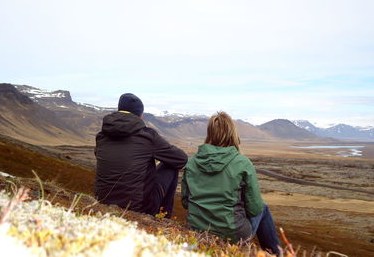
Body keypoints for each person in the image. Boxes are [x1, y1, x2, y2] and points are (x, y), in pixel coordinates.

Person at [181, 111, 280, 255]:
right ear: (232, 133)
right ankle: (276, 253)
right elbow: (255, 208)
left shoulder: (192, 162)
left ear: (209, 133)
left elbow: (185, 202)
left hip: (197, 230)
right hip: (233, 234)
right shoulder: (242, 163)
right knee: (263, 209)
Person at [95, 93, 187, 218]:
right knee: (171, 166)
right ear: (140, 115)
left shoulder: (101, 136)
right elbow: (181, 159)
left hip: (103, 202)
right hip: (139, 208)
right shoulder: (147, 136)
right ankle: (163, 217)